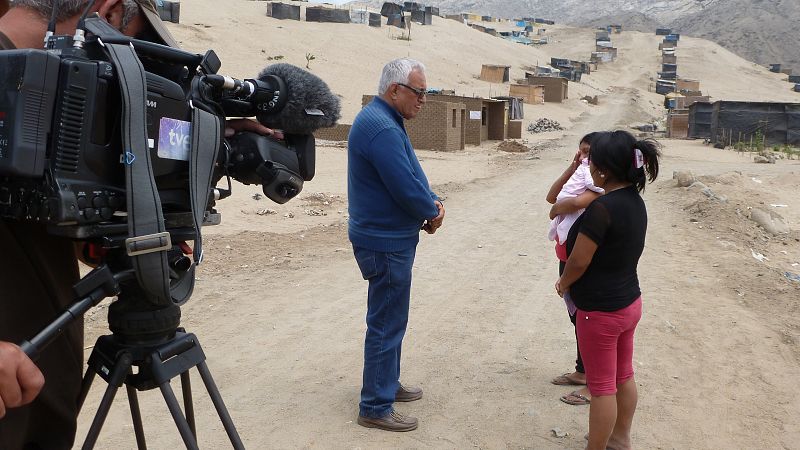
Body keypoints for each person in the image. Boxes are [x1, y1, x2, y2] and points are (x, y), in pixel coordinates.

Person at [0, 1, 190, 448]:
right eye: (134, 42)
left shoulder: (50, 94)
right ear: (109, 11)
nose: (127, 60)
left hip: (37, 406)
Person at [347, 58, 444, 432]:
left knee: (392, 320)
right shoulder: (380, 128)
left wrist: (432, 202)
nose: (423, 100)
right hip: (384, 242)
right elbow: (404, 186)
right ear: (395, 90)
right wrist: (431, 210)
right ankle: (374, 405)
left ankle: (386, 383)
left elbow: (413, 173)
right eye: (419, 92)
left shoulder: (387, 121)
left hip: (390, 239)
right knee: (386, 323)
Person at [554, 130, 661, 450]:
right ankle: (619, 439)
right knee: (623, 376)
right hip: (629, 303)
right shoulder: (634, 201)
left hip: (600, 311)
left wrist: (564, 283)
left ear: (603, 169)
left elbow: (578, 261)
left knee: (601, 387)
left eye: (592, 159)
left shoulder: (602, 208)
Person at [546, 133, 603, 406]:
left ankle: (592, 378)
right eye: (581, 151)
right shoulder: (578, 173)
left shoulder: (597, 184)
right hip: (564, 253)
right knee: (575, 317)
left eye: (589, 153)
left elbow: (577, 203)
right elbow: (551, 197)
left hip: (578, 257)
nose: (584, 158)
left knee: (586, 318)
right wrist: (571, 167)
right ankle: (582, 371)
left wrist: (556, 209)